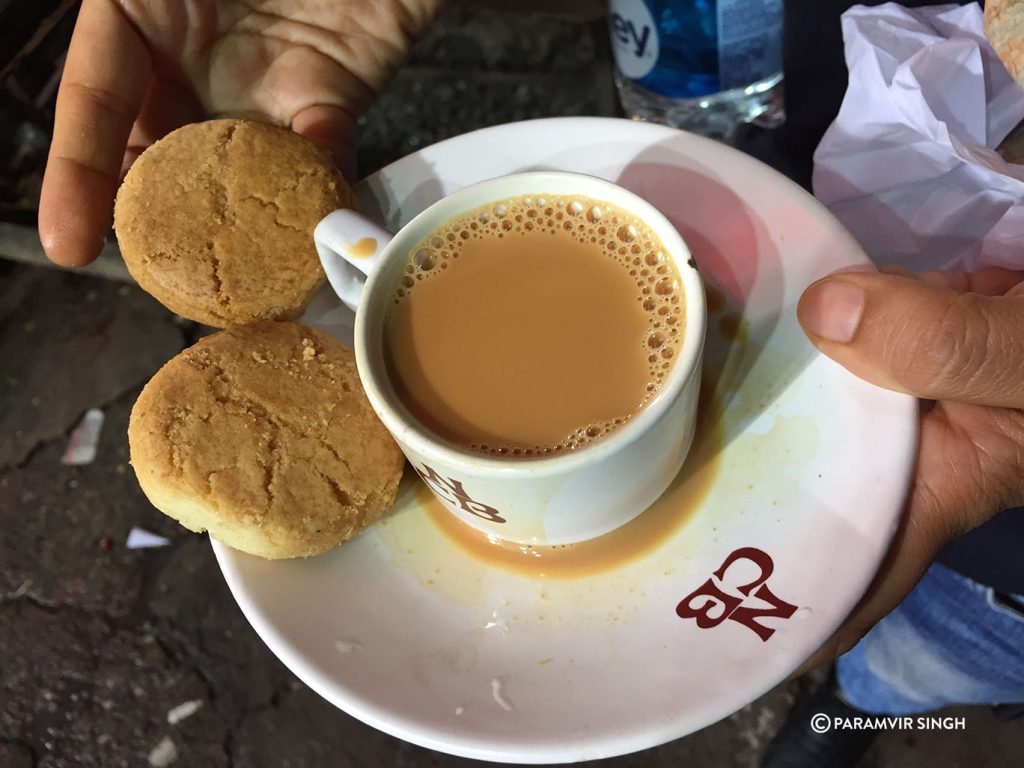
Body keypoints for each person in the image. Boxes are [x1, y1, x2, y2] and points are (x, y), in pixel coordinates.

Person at [38, 1, 1024, 765]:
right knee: (900, 646)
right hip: (811, 86)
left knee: (941, 650)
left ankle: (869, 705)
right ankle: (861, 694)